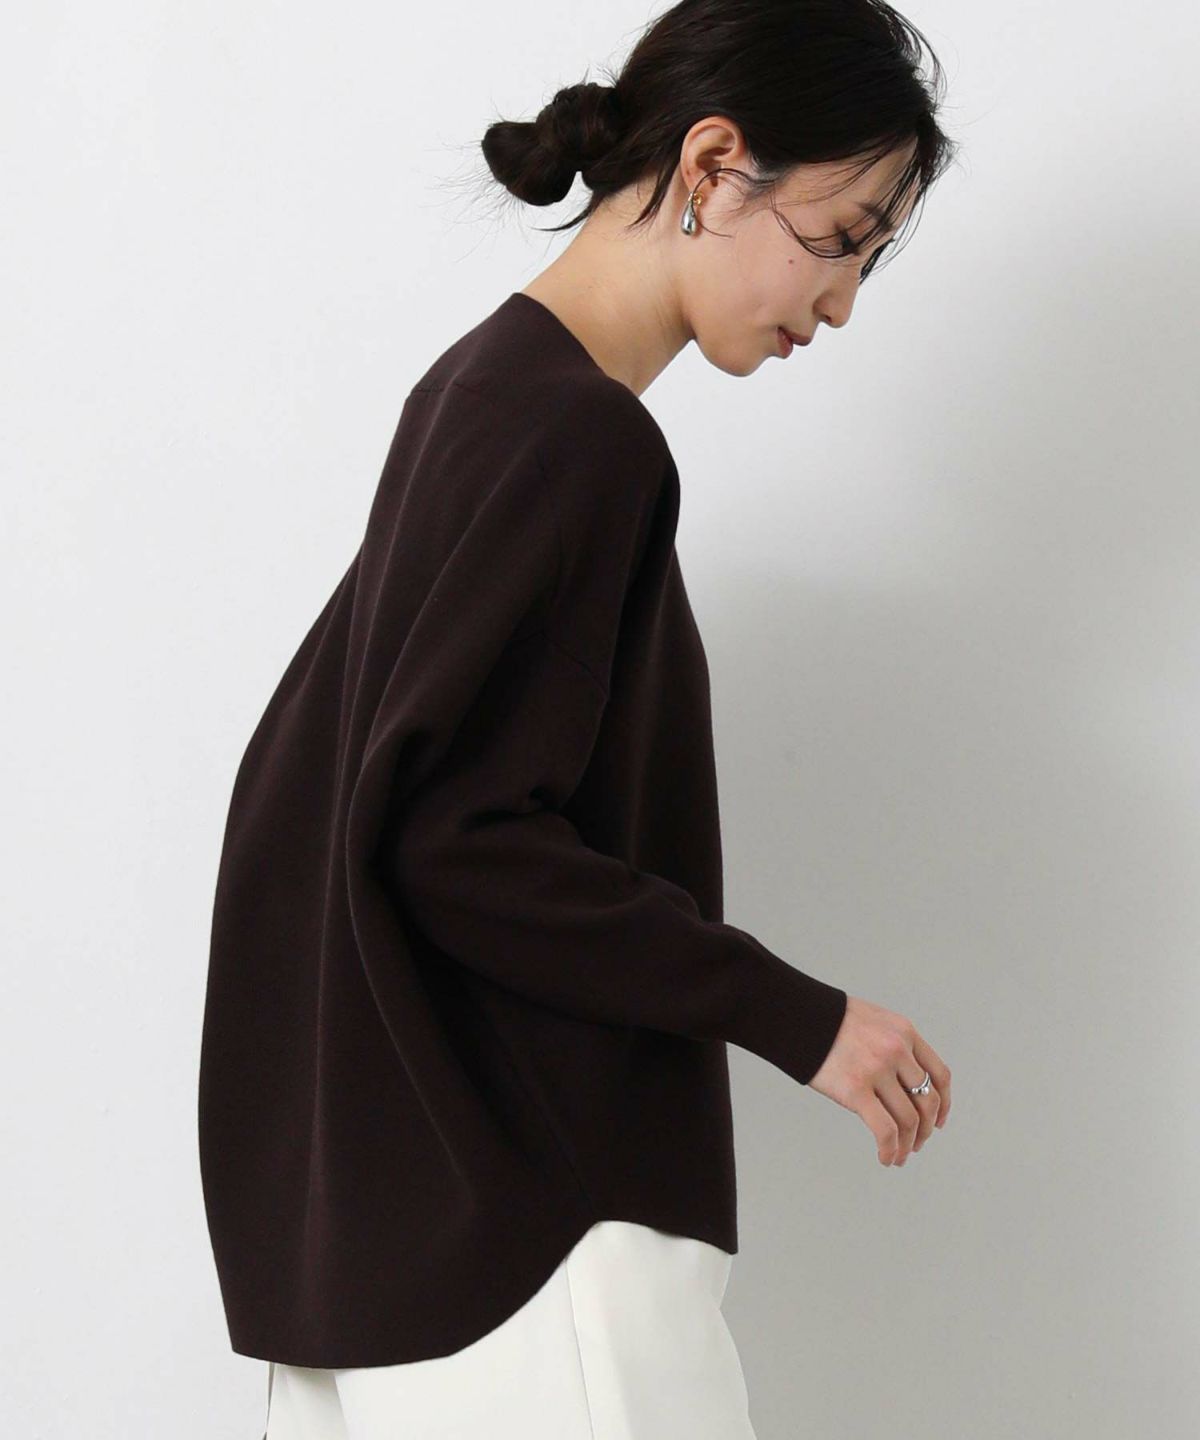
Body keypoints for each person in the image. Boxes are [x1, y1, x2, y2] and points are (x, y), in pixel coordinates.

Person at [198, 2, 960, 1436]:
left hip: (405, 1248)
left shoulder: (475, 392)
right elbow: (451, 836)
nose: (844, 302)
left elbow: (330, 801)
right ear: (714, 167)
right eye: (839, 237)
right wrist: (803, 1021)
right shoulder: (576, 435)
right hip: (534, 1253)